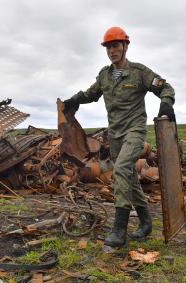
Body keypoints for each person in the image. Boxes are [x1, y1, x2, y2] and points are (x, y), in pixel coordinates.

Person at [63, 26, 176, 247]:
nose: (112, 51)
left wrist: (166, 103)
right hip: (115, 134)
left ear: (125, 46)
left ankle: (119, 230)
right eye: (108, 47)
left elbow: (165, 88)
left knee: (123, 169)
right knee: (129, 177)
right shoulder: (105, 75)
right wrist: (73, 100)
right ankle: (145, 222)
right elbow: (90, 94)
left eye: (116, 46)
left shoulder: (139, 72)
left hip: (134, 131)